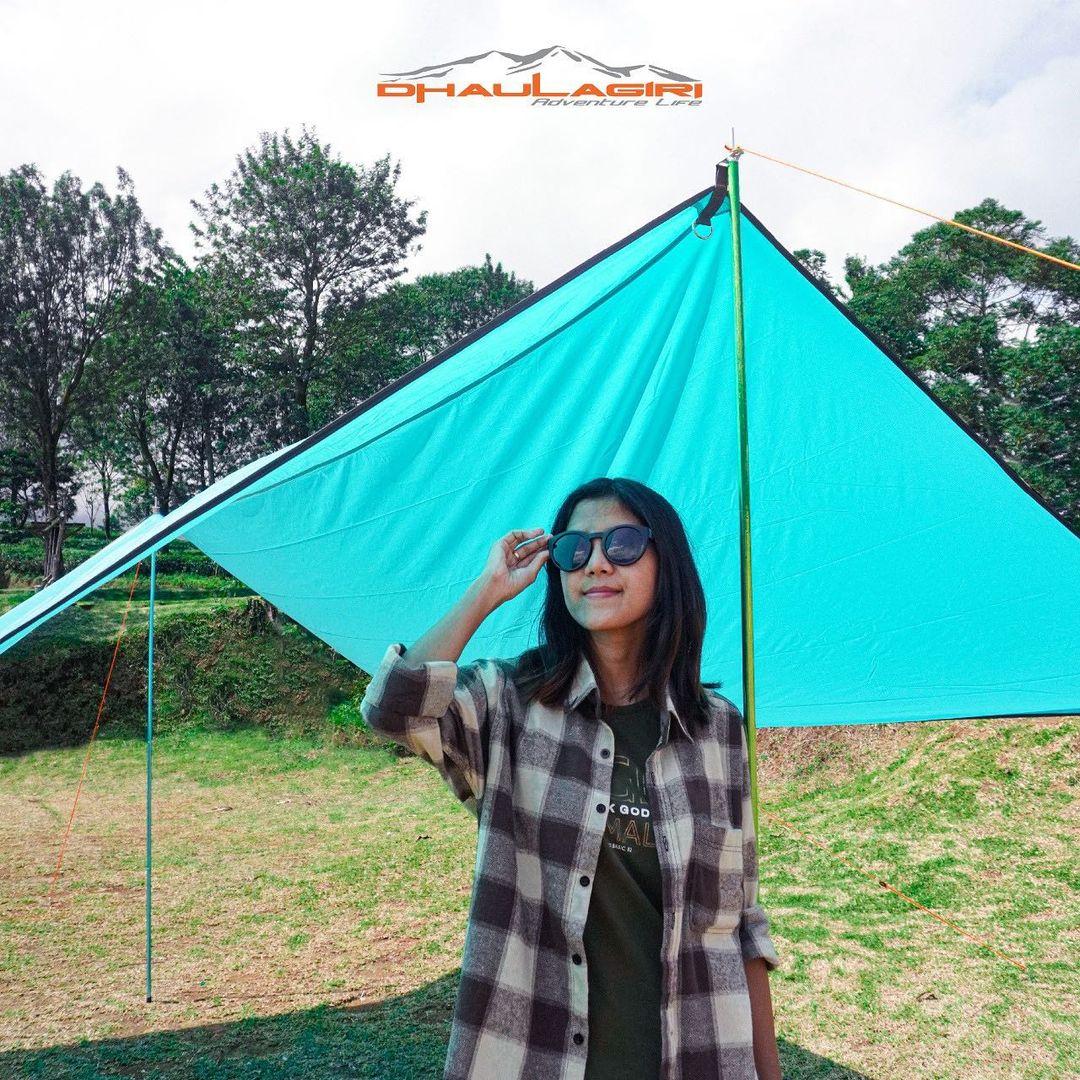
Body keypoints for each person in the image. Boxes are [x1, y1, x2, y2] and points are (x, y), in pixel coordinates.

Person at [360, 476, 782, 1080]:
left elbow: (742, 924)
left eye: (623, 544)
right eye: (574, 550)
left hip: (697, 1056)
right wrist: (487, 590)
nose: (596, 563)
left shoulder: (717, 729)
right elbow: (394, 709)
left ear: (667, 563)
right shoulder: (510, 703)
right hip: (538, 1057)